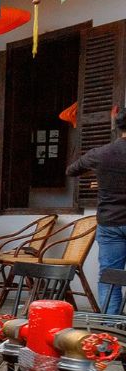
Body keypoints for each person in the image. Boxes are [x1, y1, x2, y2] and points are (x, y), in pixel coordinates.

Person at [69, 113, 126, 314]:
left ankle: (111, 327)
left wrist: (99, 172)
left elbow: (72, 171)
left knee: (110, 275)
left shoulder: (101, 153)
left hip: (110, 222)